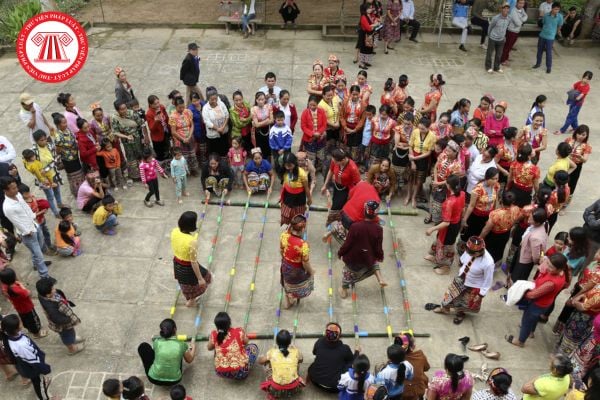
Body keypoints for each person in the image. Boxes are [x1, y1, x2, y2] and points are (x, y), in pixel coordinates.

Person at [507, 253, 569, 347]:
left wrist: (520, 291)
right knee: (534, 318)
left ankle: (520, 341)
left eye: (551, 267)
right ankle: (531, 332)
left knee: (526, 321)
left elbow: (532, 295)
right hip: (545, 303)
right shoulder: (562, 273)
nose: (547, 267)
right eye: (548, 263)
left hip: (537, 304)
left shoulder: (551, 283)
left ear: (559, 269)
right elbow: (543, 265)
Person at [432, 236, 494, 325]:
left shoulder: (488, 263)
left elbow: (488, 280)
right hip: (461, 277)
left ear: (480, 251)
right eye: (468, 251)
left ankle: (460, 313)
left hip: (474, 284)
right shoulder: (469, 250)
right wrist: (461, 262)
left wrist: (481, 294)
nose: (469, 254)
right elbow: (464, 257)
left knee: (464, 302)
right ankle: (445, 308)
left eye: (472, 253)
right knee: (450, 294)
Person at [1, 177, 51, 278]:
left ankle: (35, 264)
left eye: (16, 187)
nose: (16, 190)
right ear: (5, 190)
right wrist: (27, 231)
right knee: (39, 255)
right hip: (28, 233)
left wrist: (34, 217)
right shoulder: (8, 207)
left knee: (39, 248)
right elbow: (16, 222)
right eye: (13, 188)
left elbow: (26, 208)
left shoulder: (18, 195)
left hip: (34, 225)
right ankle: (45, 276)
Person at [338, 200, 386, 298]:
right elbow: (378, 247)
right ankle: (380, 278)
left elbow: (347, 244)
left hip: (353, 258)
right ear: (376, 215)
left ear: (364, 212)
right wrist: (379, 256)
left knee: (347, 273)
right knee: (374, 263)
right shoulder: (378, 229)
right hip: (367, 258)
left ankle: (344, 289)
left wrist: (340, 253)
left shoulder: (355, 226)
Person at [0, 314, 52, 400]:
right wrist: (45, 368)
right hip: (32, 368)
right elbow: (33, 361)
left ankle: (42, 385)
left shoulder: (8, 334)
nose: (21, 321)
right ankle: (45, 398)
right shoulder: (21, 346)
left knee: (37, 381)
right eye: (20, 322)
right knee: (39, 385)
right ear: (16, 328)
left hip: (24, 365)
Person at [425, 175, 465, 275]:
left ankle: (446, 266)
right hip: (456, 223)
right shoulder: (462, 194)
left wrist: (432, 228)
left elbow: (446, 222)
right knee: (439, 239)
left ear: (447, 185)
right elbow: (463, 209)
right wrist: (462, 220)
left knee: (447, 245)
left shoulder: (449, 202)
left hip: (449, 226)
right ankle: (435, 256)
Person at [137, 318, 196, 386]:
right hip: (175, 380)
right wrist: (193, 347)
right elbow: (189, 360)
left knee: (143, 346)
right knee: (179, 353)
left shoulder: (157, 342)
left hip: (154, 379)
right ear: (175, 329)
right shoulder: (181, 344)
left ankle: (156, 369)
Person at [171, 211, 211, 308]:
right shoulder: (192, 242)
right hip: (187, 267)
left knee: (184, 283)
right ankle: (191, 300)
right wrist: (200, 278)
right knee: (203, 280)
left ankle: (190, 299)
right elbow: (193, 262)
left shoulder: (175, 231)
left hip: (177, 263)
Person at [36, 277, 84, 355]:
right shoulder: (51, 308)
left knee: (70, 332)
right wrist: (69, 320)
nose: (55, 289)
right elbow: (57, 319)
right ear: (48, 295)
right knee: (66, 335)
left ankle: (73, 338)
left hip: (65, 318)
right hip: (63, 325)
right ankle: (72, 348)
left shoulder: (44, 295)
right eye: (52, 289)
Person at [207, 311, 258, 380]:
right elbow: (246, 342)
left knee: (217, 348)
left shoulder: (214, 334)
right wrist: (243, 334)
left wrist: (212, 339)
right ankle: (243, 372)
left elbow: (209, 348)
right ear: (229, 323)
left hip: (221, 372)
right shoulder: (239, 331)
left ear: (216, 325)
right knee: (253, 347)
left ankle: (224, 366)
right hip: (240, 373)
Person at [308, 322, 356, 393]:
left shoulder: (319, 341)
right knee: (349, 364)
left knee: (315, 363)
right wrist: (357, 352)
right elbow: (352, 361)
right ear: (339, 336)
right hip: (334, 387)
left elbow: (314, 352)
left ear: (325, 334)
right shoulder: (344, 348)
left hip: (315, 381)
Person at [0, 268, 47, 339]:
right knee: (33, 321)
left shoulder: (4, 288)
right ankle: (36, 334)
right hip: (27, 307)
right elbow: (29, 293)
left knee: (25, 320)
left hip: (19, 308)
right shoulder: (18, 290)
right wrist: (22, 286)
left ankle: (29, 329)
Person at [280, 214, 315, 308]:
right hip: (296, 270)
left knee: (286, 283)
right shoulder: (303, 245)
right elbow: (305, 263)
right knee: (302, 282)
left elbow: (281, 250)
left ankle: (288, 302)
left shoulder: (284, 236)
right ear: (303, 229)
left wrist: (285, 261)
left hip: (285, 265)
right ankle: (295, 296)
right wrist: (311, 271)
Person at [27, 130, 64, 217]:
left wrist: (46, 169)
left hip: (53, 173)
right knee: (50, 195)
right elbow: (29, 163)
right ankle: (55, 212)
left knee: (57, 190)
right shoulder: (33, 151)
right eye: (41, 140)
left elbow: (55, 160)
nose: (44, 142)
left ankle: (59, 203)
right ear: (36, 141)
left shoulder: (50, 145)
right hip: (43, 178)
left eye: (45, 139)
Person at [259, 329, 304, 398]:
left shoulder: (272, 352)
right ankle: (295, 376)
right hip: (293, 388)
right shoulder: (295, 351)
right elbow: (301, 360)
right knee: (297, 362)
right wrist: (295, 349)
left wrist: (266, 357)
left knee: (269, 361)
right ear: (289, 342)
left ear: (277, 342)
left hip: (275, 389)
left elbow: (260, 362)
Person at [460, 167, 499, 245]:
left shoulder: (496, 186)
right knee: (470, 234)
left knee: (480, 235)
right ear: (487, 178)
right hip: (476, 217)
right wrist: (465, 219)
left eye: (497, 178)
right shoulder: (478, 189)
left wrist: (494, 214)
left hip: (487, 216)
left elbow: (495, 201)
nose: (496, 181)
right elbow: (471, 205)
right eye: (493, 179)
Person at [321, 148, 361, 225]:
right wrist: (325, 185)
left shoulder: (353, 168)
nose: (333, 162)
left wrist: (351, 196)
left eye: (335, 161)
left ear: (342, 160)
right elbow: (331, 171)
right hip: (336, 186)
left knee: (336, 206)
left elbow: (357, 184)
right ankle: (338, 220)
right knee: (336, 202)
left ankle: (338, 222)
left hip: (346, 189)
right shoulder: (334, 160)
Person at [426, 141, 462, 225]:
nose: (447, 149)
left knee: (439, 203)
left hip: (445, 186)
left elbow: (450, 180)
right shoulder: (442, 155)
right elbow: (435, 167)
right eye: (448, 147)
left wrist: (438, 184)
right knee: (432, 199)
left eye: (450, 148)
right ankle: (430, 215)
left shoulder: (457, 165)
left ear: (455, 152)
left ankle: (437, 220)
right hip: (435, 181)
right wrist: (435, 180)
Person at [111, 100, 147, 181]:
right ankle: (135, 176)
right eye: (122, 109)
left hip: (137, 138)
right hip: (126, 142)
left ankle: (144, 173)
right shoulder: (114, 118)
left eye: (125, 108)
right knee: (130, 157)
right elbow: (115, 132)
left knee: (140, 154)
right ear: (117, 110)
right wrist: (126, 136)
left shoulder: (132, 113)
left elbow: (141, 123)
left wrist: (144, 136)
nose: (125, 110)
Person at [480, 191, 519, 265]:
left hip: (494, 236)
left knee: (489, 251)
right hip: (506, 233)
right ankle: (494, 264)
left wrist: (480, 238)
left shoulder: (496, 214)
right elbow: (515, 221)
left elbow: (486, 230)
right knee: (499, 250)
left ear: (501, 200)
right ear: (513, 201)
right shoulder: (516, 209)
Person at [510, 208, 549, 283]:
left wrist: (539, 258)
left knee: (518, 277)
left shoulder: (536, 237)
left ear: (537, 222)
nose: (529, 218)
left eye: (531, 218)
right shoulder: (542, 224)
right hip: (523, 251)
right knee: (514, 270)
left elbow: (536, 256)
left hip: (525, 259)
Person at [51, 112, 84, 197]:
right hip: (68, 160)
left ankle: (83, 190)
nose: (66, 124)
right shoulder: (58, 137)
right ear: (58, 125)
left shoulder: (67, 130)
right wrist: (67, 150)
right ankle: (77, 193)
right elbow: (58, 151)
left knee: (80, 174)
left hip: (75, 156)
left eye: (66, 122)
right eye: (64, 123)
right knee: (74, 178)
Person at [407, 118, 437, 208]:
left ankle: (414, 197)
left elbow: (429, 152)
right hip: (412, 155)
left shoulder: (432, 136)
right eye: (419, 128)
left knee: (419, 181)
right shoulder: (415, 131)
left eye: (423, 128)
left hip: (423, 159)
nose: (420, 130)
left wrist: (416, 158)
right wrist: (412, 161)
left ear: (428, 128)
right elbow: (410, 146)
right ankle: (408, 195)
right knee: (410, 178)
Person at [280, 153, 312, 226]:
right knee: (286, 213)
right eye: (286, 165)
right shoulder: (284, 171)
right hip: (287, 195)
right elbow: (284, 183)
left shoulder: (302, 174)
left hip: (299, 197)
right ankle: (289, 226)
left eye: (290, 165)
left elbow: (306, 188)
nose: (288, 168)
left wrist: (309, 199)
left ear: (295, 163)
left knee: (298, 215)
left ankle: (296, 229)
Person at [557, 71, 593, 135]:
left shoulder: (587, 87)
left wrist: (577, 98)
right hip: (572, 101)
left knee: (570, 117)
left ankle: (562, 130)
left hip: (578, 104)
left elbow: (582, 95)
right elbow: (573, 87)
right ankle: (576, 128)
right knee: (574, 116)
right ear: (582, 77)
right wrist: (570, 92)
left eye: (588, 79)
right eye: (585, 78)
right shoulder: (579, 83)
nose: (585, 80)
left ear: (589, 80)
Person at [169, 97, 199, 176]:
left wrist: (189, 136)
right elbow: (173, 131)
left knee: (192, 154)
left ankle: (194, 169)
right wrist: (183, 139)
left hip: (190, 137)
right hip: (180, 140)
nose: (182, 109)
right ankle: (185, 171)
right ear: (175, 106)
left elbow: (192, 125)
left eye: (183, 106)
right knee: (183, 156)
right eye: (180, 107)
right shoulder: (172, 116)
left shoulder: (188, 112)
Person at [395, 333, 430, 400]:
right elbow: (426, 368)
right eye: (413, 342)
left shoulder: (394, 360)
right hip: (419, 391)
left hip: (401, 393)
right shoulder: (420, 355)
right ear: (411, 346)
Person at [533, 2, 563, 74]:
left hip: (551, 37)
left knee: (549, 52)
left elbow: (559, 26)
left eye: (558, 9)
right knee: (539, 50)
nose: (557, 11)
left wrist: (557, 33)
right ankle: (538, 63)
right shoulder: (546, 15)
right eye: (555, 9)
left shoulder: (560, 16)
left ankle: (548, 67)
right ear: (552, 8)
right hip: (542, 35)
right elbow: (543, 23)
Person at [300, 95, 328, 173]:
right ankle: (311, 170)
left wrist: (319, 132)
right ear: (308, 104)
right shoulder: (305, 113)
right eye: (310, 105)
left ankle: (319, 168)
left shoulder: (321, 111)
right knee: (311, 156)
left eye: (314, 105)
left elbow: (324, 124)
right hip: (309, 139)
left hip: (320, 138)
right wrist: (312, 133)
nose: (312, 107)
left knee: (320, 154)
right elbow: (303, 126)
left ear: (317, 104)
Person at [202, 88, 230, 159]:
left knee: (224, 148)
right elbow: (207, 121)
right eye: (212, 99)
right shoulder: (205, 108)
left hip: (224, 131)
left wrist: (223, 127)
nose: (214, 101)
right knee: (214, 150)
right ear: (208, 99)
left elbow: (227, 115)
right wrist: (217, 129)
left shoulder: (221, 104)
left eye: (216, 99)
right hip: (213, 134)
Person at [564, 125, 591, 198]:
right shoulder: (569, 140)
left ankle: (567, 198)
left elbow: (585, 160)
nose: (580, 136)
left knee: (571, 183)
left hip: (576, 166)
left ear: (586, 135)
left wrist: (580, 157)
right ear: (575, 133)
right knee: (561, 179)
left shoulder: (586, 146)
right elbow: (562, 149)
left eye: (583, 135)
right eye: (579, 133)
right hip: (565, 162)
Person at [486, 3, 510, 74]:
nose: (506, 9)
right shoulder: (496, 18)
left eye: (507, 8)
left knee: (499, 54)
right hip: (493, 38)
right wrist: (489, 36)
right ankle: (488, 67)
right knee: (489, 53)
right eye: (504, 8)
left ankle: (496, 67)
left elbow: (506, 28)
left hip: (501, 39)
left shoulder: (509, 18)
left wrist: (504, 36)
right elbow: (490, 27)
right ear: (501, 9)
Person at [357, 3, 377, 70]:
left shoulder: (371, 15)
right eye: (369, 8)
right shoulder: (363, 16)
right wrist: (375, 25)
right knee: (363, 49)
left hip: (370, 34)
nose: (370, 9)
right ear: (365, 9)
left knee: (369, 48)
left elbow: (375, 22)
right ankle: (361, 63)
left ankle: (365, 62)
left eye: (371, 8)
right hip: (364, 35)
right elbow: (368, 27)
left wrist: (374, 24)